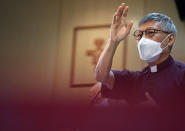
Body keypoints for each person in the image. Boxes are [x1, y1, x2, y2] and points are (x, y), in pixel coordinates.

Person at [94, 2, 185, 110]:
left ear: (170, 39)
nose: (143, 40)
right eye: (139, 35)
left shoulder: (182, 74)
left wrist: (161, 114)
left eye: (150, 33)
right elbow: (101, 75)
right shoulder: (136, 79)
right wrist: (113, 41)